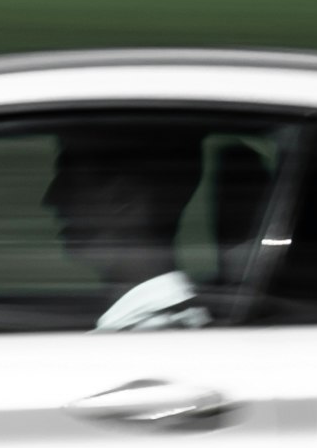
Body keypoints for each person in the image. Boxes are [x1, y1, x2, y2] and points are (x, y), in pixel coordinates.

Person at [45, 123, 209, 331]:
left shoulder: (153, 336)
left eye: (68, 178)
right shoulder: (151, 328)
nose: (51, 198)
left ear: (125, 199)